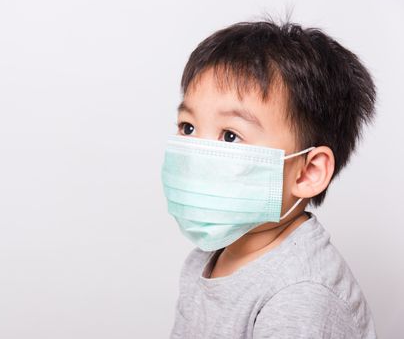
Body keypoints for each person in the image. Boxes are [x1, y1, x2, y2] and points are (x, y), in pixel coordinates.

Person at [160, 18, 377, 338]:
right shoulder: (205, 258)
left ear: (307, 172)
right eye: (188, 127)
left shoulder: (301, 296)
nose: (196, 155)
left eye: (230, 136)